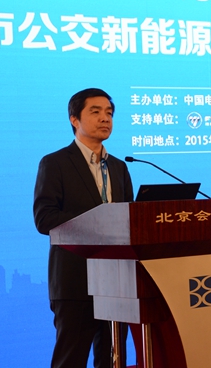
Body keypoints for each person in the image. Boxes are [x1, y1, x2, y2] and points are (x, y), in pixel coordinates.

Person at [33, 88, 133, 368]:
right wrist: (99, 219)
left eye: (109, 113)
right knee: (71, 360)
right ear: (74, 119)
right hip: (75, 280)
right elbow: (44, 218)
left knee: (113, 361)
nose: (105, 118)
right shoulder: (55, 163)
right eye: (96, 112)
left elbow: (130, 220)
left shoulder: (119, 168)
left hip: (117, 281)